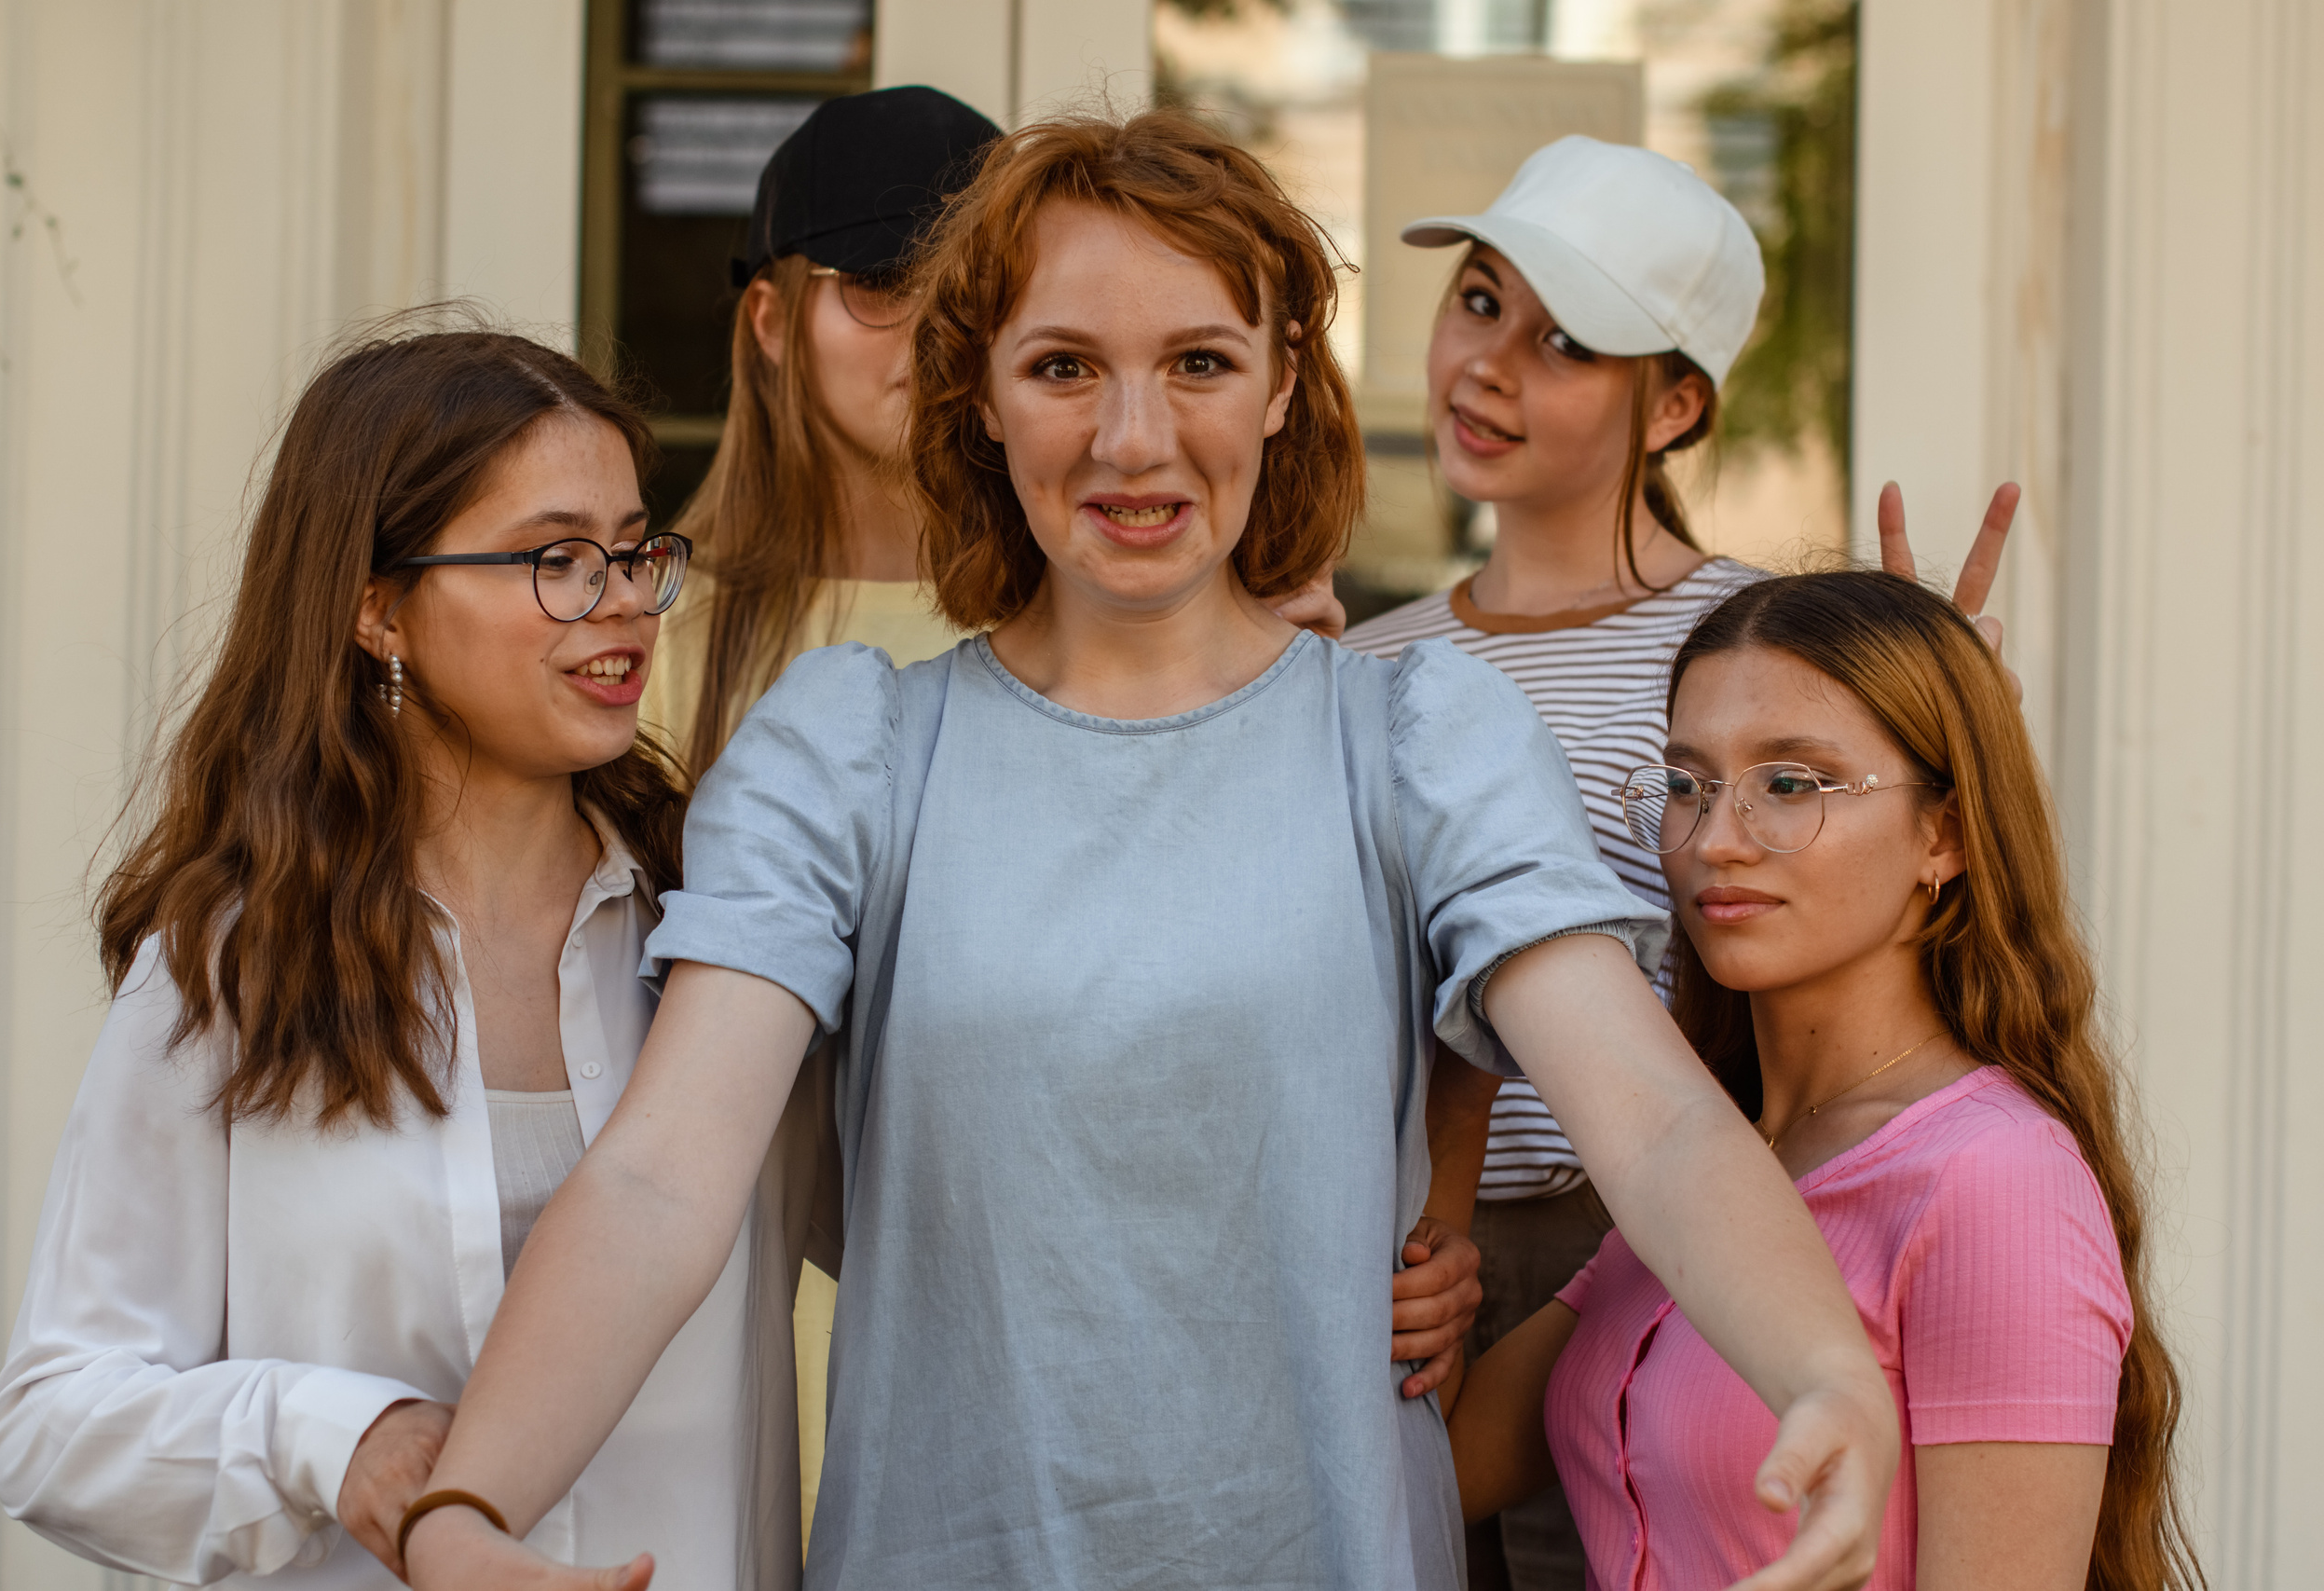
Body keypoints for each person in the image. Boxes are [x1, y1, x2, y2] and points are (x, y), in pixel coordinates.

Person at [402, 108, 1897, 1591]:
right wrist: (471, 1494)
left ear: (1279, 384)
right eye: (1064, 367)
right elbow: (664, 1176)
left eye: (1198, 361)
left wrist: (1826, 1367)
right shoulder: (850, 752)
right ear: (979, 394)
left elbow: (1654, 1117)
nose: (1134, 438)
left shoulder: (1418, 736)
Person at [670, 86, 1485, 1458]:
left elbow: (1368, 982)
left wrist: (1433, 1213)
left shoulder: (1155, 601)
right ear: (770, 320)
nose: (927, 319)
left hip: (1114, 1369)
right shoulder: (670, 652)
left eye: (960, 286)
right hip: (767, 1329)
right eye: (883, 283)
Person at [0, 324, 814, 1589]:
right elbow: (53, 1420)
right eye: (556, 559)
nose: (629, 602)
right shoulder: (233, 964)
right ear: (380, 607)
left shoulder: (715, 934)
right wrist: (330, 1432)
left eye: (637, 550)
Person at [1342, 137, 2021, 1587]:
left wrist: (1941, 699)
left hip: (1657, 1226)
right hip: (1411, 1252)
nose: (1491, 364)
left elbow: (1883, 895)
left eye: (1568, 340)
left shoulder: (1747, 642)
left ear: (1680, 402)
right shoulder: (1364, 661)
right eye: (1478, 301)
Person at [1443, 569, 2201, 1591]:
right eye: (1685, 783)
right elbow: (1442, 1470)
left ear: (1944, 834)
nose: (1713, 839)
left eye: (1790, 784)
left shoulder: (1991, 1181)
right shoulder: (1714, 1168)